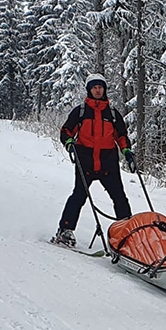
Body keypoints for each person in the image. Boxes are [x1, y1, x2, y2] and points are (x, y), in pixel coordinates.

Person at [54, 73, 136, 247]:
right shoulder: (81, 112)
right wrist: (69, 143)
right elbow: (66, 131)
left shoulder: (112, 113)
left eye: (100, 87)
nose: (98, 90)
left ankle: (128, 234)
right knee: (78, 196)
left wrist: (127, 151)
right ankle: (65, 231)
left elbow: (121, 136)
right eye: (94, 87)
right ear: (89, 90)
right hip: (86, 161)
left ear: (104, 90)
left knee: (120, 198)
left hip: (108, 162)